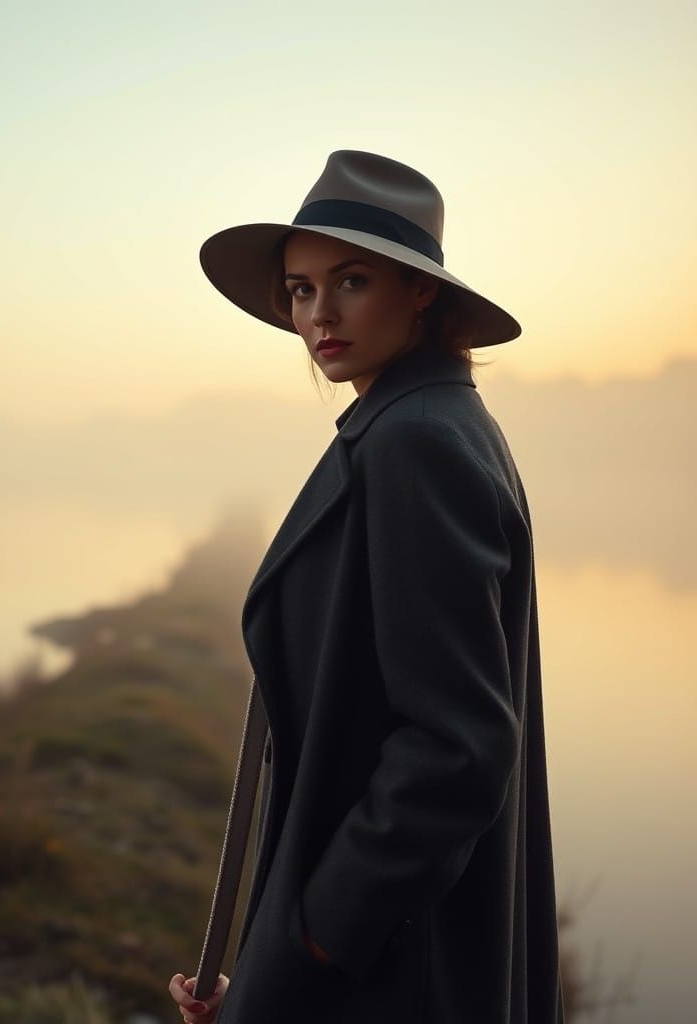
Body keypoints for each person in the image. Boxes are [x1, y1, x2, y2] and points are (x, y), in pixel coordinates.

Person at [169, 151, 566, 1023]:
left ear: (420, 290)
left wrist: (309, 948)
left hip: (389, 972)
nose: (320, 314)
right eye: (300, 290)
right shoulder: (426, 422)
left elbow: (455, 751)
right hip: (386, 951)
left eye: (350, 281)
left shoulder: (415, 442)